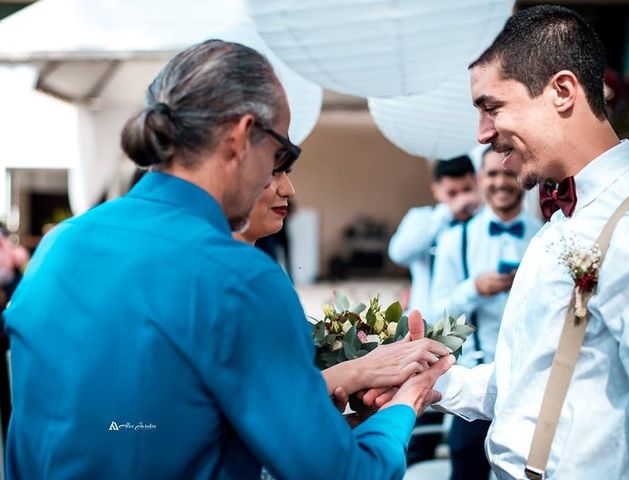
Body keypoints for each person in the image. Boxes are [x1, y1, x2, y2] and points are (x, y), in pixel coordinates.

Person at [3, 39, 455, 480]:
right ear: (240, 138)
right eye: (281, 156)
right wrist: (402, 408)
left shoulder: (60, 244)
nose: (284, 183)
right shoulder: (238, 278)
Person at [434, 6, 629, 479]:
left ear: (562, 92)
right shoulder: (556, 224)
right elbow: (528, 379)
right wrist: (436, 382)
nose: (483, 135)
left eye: (492, 107)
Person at [234, 162, 447, 405]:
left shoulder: (267, 277)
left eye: (287, 173)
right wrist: (361, 372)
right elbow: (256, 398)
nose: (289, 190)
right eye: (274, 172)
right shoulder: (224, 282)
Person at [431, 147, 542, 480]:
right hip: (473, 385)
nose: (500, 181)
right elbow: (437, 314)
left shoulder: (546, 235)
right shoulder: (455, 240)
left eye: (507, 172)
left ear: (522, 176)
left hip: (529, 384)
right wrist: (473, 289)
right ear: (480, 180)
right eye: (491, 174)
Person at [388, 155, 480, 318]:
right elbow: (398, 253)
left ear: (476, 184)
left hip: (470, 327)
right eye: (452, 193)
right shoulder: (421, 218)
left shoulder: (483, 224)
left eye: (466, 190)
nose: (461, 199)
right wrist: (448, 212)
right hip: (425, 322)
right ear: (435, 191)